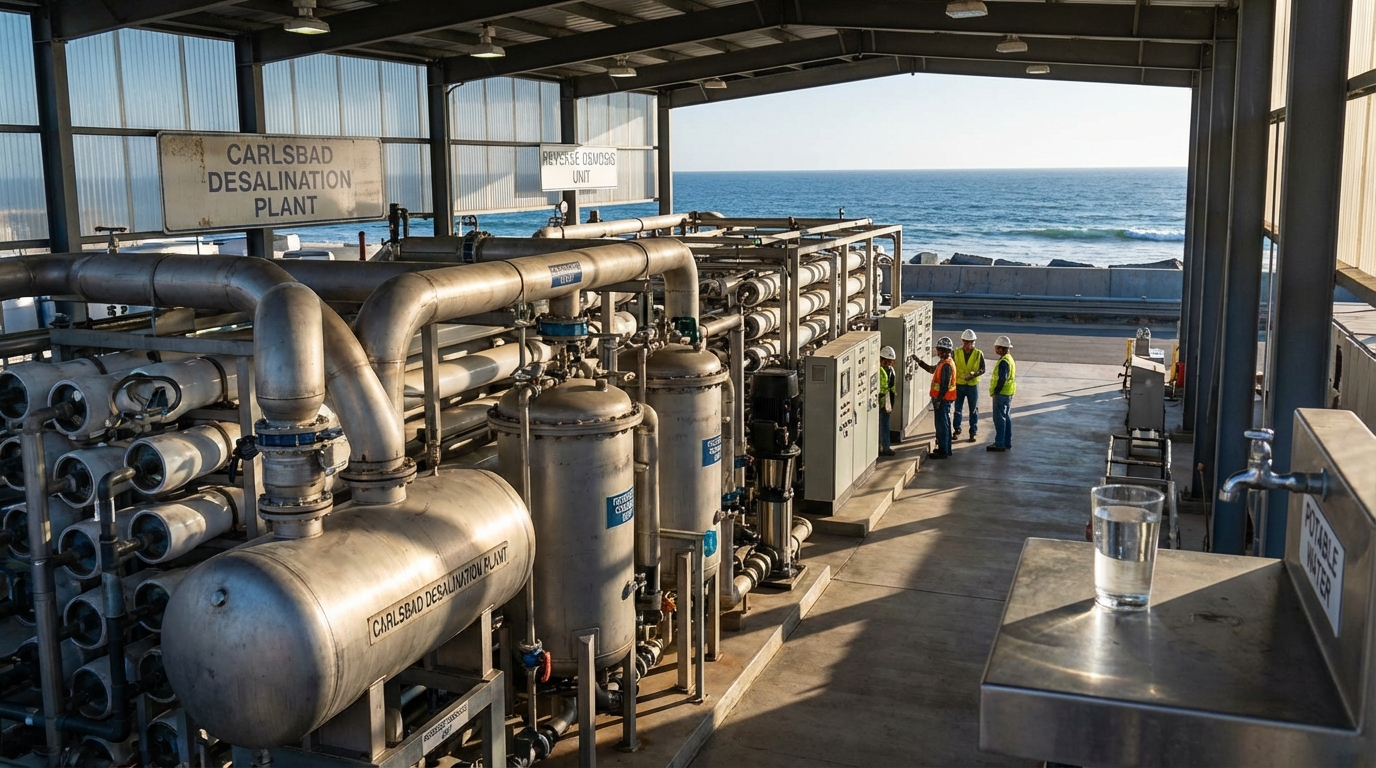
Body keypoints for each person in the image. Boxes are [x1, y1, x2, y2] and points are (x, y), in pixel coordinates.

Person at [916, 336, 957, 459]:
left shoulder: (946, 365)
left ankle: (943, 451)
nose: (937, 352)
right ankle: (945, 449)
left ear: (944, 351)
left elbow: (944, 385)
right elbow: (931, 369)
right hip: (944, 399)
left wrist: (939, 400)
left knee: (942, 425)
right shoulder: (944, 362)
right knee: (944, 424)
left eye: (938, 350)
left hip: (943, 400)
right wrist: (919, 361)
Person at [952, 329, 985, 443]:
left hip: (972, 385)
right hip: (959, 385)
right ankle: (957, 430)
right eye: (966, 342)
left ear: (974, 342)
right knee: (957, 409)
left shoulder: (978, 354)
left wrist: (974, 375)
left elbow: (982, 369)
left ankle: (973, 432)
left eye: (970, 342)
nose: (968, 345)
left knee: (974, 410)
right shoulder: (955, 352)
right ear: (962, 341)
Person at [987, 335, 1016, 453]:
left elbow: (1002, 379)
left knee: (999, 419)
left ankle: (999, 443)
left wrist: (995, 392)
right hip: (1008, 393)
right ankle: (1006, 442)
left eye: (997, 347)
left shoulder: (1004, 362)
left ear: (1002, 348)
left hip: (1002, 394)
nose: (995, 349)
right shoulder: (1009, 359)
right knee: (1007, 418)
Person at [878, 346, 899, 456]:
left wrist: (889, 404)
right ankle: (882, 447)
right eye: (886, 362)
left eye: (889, 362)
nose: (888, 364)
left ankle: (885, 447)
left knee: (884, 424)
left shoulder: (888, 371)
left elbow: (891, 388)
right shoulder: (879, 369)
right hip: (880, 401)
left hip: (885, 401)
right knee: (881, 425)